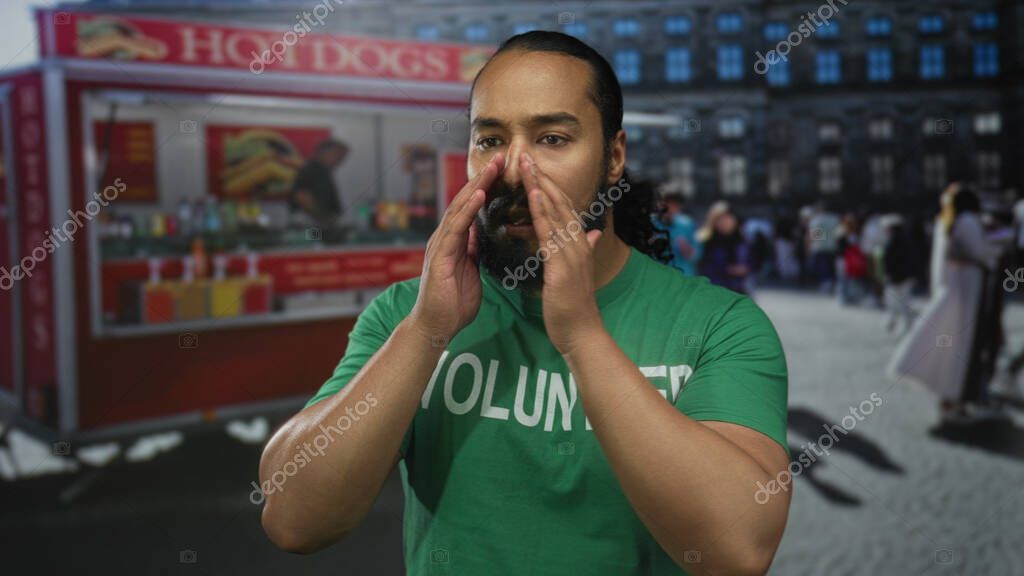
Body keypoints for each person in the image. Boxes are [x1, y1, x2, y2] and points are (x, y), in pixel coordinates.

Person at [259, 31, 790, 576]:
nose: (514, 168)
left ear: (613, 157)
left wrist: (582, 336)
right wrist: (425, 334)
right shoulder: (409, 314)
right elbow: (295, 520)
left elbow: (738, 550)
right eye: (489, 140)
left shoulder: (719, 326)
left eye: (552, 138)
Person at [888, 186, 1003, 423]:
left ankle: (951, 400)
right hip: (967, 289)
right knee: (960, 347)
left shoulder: (946, 221)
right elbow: (981, 252)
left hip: (951, 288)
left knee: (949, 344)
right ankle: (953, 402)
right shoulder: (969, 221)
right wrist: (998, 246)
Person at [289, 138, 349, 226]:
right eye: (338, 156)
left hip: (320, 225)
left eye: (342, 158)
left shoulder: (325, 172)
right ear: (324, 152)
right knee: (314, 239)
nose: (340, 161)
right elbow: (301, 197)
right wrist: (325, 219)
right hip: (311, 226)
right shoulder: (311, 170)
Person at [697, 201, 750, 294]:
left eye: (728, 217)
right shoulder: (706, 240)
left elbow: (752, 261)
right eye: (720, 219)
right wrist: (727, 269)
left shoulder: (742, 240)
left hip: (739, 289)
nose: (725, 221)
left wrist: (745, 269)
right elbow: (703, 266)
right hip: (715, 290)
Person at [881, 215, 917, 334]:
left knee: (896, 302)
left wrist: (888, 274)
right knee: (901, 301)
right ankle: (897, 323)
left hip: (897, 277)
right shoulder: (907, 239)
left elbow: (889, 260)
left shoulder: (893, 241)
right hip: (906, 275)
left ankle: (904, 324)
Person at [660, 192, 701, 276]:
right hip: (659, 275)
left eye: (674, 204)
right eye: (667, 203)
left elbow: (696, 254)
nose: (670, 208)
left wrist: (687, 249)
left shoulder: (688, 224)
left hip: (683, 275)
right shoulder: (652, 223)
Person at [806, 202, 840, 293]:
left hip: (820, 246)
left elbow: (816, 236)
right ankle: (832, 284)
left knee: (822, 267)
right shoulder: (835, 219)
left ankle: (826, 284)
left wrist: (809, 246)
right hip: (833, 246)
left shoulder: (817, 220)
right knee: (831, 267)